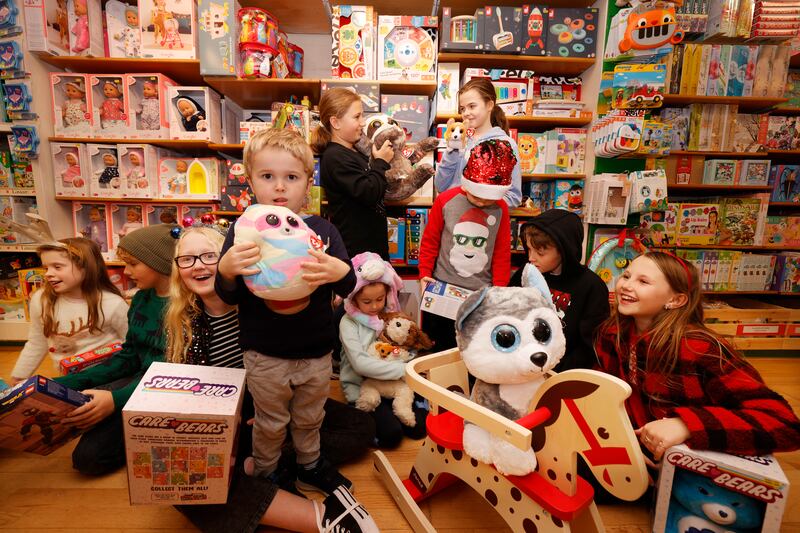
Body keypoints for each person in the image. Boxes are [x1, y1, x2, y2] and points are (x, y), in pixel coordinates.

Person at [167, 225, 378, 533]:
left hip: (285, 407)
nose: (199, 265)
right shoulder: (182, 319)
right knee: (184, 484)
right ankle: (312, 512)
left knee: (361, 426)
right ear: (178, 269)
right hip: (232, 424)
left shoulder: (261, 303)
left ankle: (273, 470)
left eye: (210, 256)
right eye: (187, 259)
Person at [216, 128, 356, 495]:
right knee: (270, 420)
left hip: (316, 352)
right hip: (264, 354)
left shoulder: (323, 231)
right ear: (250, 182)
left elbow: (347, 286)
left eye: (291, 177)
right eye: (267, 177)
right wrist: (226, 270)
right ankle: (268, 471)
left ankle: (309, 463)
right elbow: (227, 296)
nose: (280, 188)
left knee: (311, 416)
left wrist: (340, 271)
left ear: (308, 183)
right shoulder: (243, 232)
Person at [595, 251, 800, 463]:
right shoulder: (613, 334)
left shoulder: (700, 349)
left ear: (675, 300)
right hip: (632, 457)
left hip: (689, 468)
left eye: (643, 281)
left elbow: (784, 425)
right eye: (627, 276)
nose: (626, 285)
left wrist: (686, 425)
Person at [55, 224, 177, 475]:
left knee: (90, 459)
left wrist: (115, 400)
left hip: (169, 389)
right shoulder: (142, 298)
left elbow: (173, 371)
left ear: (160, 263)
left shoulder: (185, 307)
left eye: (134, 264)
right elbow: (129, 355)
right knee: (80, 411)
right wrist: (66, 383)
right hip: (137, 380)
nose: (127, 271)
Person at [418, 138, 513, 350]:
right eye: (476, 196)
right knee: (439, 348)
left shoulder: (501, 210)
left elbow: (501, 252)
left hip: (479, 296)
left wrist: (499, 289)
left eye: (487, 200)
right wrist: (425, 273)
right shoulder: (446, 201)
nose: (480, 203)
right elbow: (430, 241)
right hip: (442, 289)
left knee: (474, 349)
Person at [339, 252, 429, 448]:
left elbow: (405, 346)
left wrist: (407, 359)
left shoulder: (389, 315)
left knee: (419, 429)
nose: (375, 306)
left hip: (395, 384)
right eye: (367, 302)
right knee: (392, 436)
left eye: (380, 299)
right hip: (365, 388)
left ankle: (420, 403)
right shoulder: (348, 323)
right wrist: (405, 372)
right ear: (354, 299)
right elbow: (360, 364)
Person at [10, 238, 128, 383]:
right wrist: (19, 376)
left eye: (57, 267)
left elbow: (131, 343)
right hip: (69, 380)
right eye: (46, 268)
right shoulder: (41, 300)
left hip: (108, 379)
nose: (48, 274)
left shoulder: (112, 304)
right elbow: (37, 341)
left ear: (86, 267)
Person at [509, 210, 609, 371]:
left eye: (540, 253)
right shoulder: (527, 272)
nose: (531, 258)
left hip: (560, 373)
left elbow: (589, 346)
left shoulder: (592, 287)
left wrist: (556, 372)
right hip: (520, 362)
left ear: (564, 250)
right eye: (529, 249)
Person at [312, 87, 394, 259]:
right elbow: (369, 192)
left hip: (370, 246)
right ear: (336, 122)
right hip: (357, 251)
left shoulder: (351, 153)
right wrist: (381, 162)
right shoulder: (335, 156)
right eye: (357, 117)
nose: (363, 122)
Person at [434, 78, 522, 208]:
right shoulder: (459, 138)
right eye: (462, 109)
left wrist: (482, 203)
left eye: (472, 106)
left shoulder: (506, 144)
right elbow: (441, 185)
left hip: (484, 223)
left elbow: (513, 197)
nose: (466, 113)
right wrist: (451, 150)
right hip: (452, 220)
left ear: (489, 105)